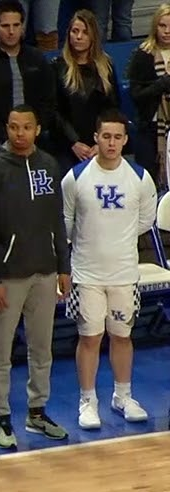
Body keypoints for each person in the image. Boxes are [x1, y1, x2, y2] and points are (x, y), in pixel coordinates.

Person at [0, 104, 70, 449]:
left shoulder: (49, 164)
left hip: (45, 273)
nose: (19, 133)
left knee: (41, 348)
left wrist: (64, 266)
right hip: (8, 278)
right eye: (13, 127)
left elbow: (57, 219)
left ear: (37, 129)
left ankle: (37, 412)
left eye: (25, 127)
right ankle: (0, 416)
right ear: (7, 129)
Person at [61, 110, 156, 429]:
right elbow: (67, 225)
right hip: (87, 274)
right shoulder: (75, 177)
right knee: (89, 338)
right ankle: (88, 401)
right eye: (106, 136)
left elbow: (145, 221)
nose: (112, 142)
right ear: (96, 138)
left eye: (118, 137)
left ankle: (123, 396)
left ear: (125, 139)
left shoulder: (140, 178)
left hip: (124, 274)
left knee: (122, 336)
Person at [0, 0, 56, 171]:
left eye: (16, 25)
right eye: (5, 26)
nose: (11, 31)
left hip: (37, 142)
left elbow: (49, 101)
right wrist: (7, 137)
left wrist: (33, 132)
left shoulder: (37, 59)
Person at [54, 10, 121, 169]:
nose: (78, 37)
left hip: (100, 145)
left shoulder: (106, 66)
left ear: (93, 37)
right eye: (75, 31)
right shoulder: (57, 67)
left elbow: (113, 109)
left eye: (85, 32)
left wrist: (101, 143)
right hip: (68, 146)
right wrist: (74, 142)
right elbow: (54, 112)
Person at [127, 6, 170, 190]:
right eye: (162, 26)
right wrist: (161, 85)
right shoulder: (143, 55)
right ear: (154, 27)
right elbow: (136, 95)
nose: (167, 31)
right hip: (151, 128)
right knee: (149, 184)